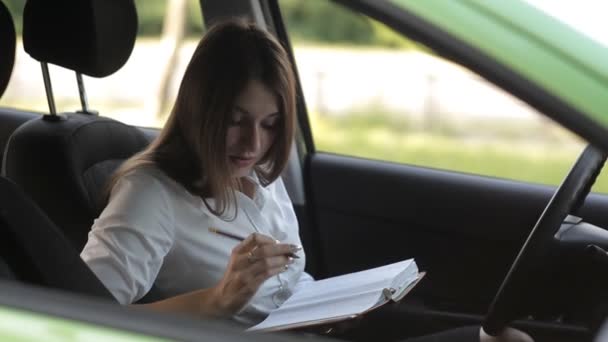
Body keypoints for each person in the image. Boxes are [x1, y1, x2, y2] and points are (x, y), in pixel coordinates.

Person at [80, 19, 532, 342]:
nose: (252, 143)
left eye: (271, 123)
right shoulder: (150, 194)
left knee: (507, 338)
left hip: (320, 328)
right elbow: (79, 320)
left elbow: (289, 286)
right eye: (236, 121)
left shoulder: (257, 171)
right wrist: (218, 300)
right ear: (202, 111)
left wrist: (335, 310)